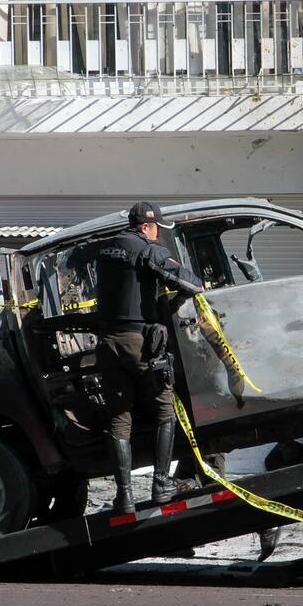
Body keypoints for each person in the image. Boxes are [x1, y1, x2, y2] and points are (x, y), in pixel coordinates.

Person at [94, 201, 202, 513]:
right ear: (146, 226)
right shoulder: (146, 249)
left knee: (119, 417)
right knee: (164, 409)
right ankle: (161, 484)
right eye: (156, 229)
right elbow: (189, 283)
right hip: (136, 343)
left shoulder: (106, 249)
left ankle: (124, 496)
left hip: (106, 344)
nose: (157, 235)